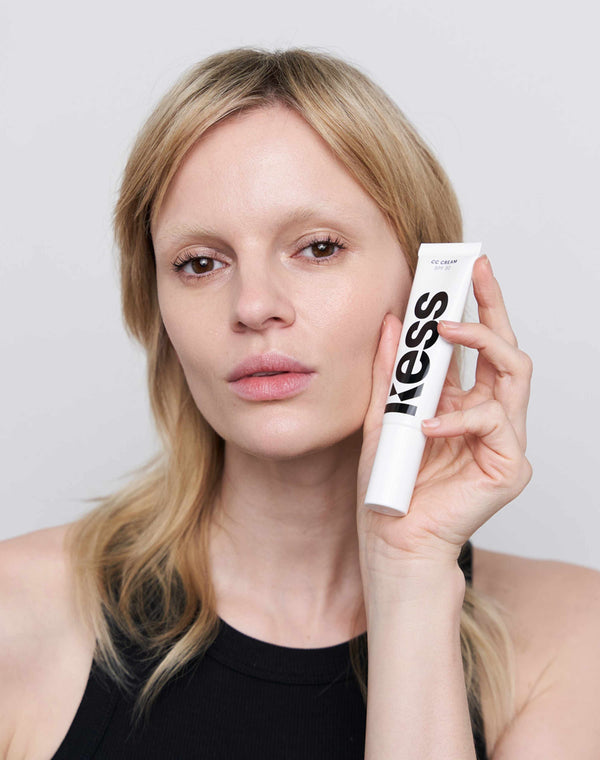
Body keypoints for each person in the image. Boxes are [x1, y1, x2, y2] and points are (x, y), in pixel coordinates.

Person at [1, 46, 599, 760]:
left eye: (317, 248)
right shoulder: (15, 615)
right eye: (200, 263)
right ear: (155, 306)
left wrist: (407, 578)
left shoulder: (572, 637)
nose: (254, 305)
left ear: (425, 287)